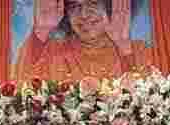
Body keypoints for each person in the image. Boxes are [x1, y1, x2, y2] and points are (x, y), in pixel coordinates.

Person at [12, 0, 154, 82]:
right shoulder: (52, 52)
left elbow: (148, 106)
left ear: (110, 7)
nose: (84, 14)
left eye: (93, 3)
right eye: (74, 6)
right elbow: (21, 89)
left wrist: (124, 49)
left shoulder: (137, 51)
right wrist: (41, 31)